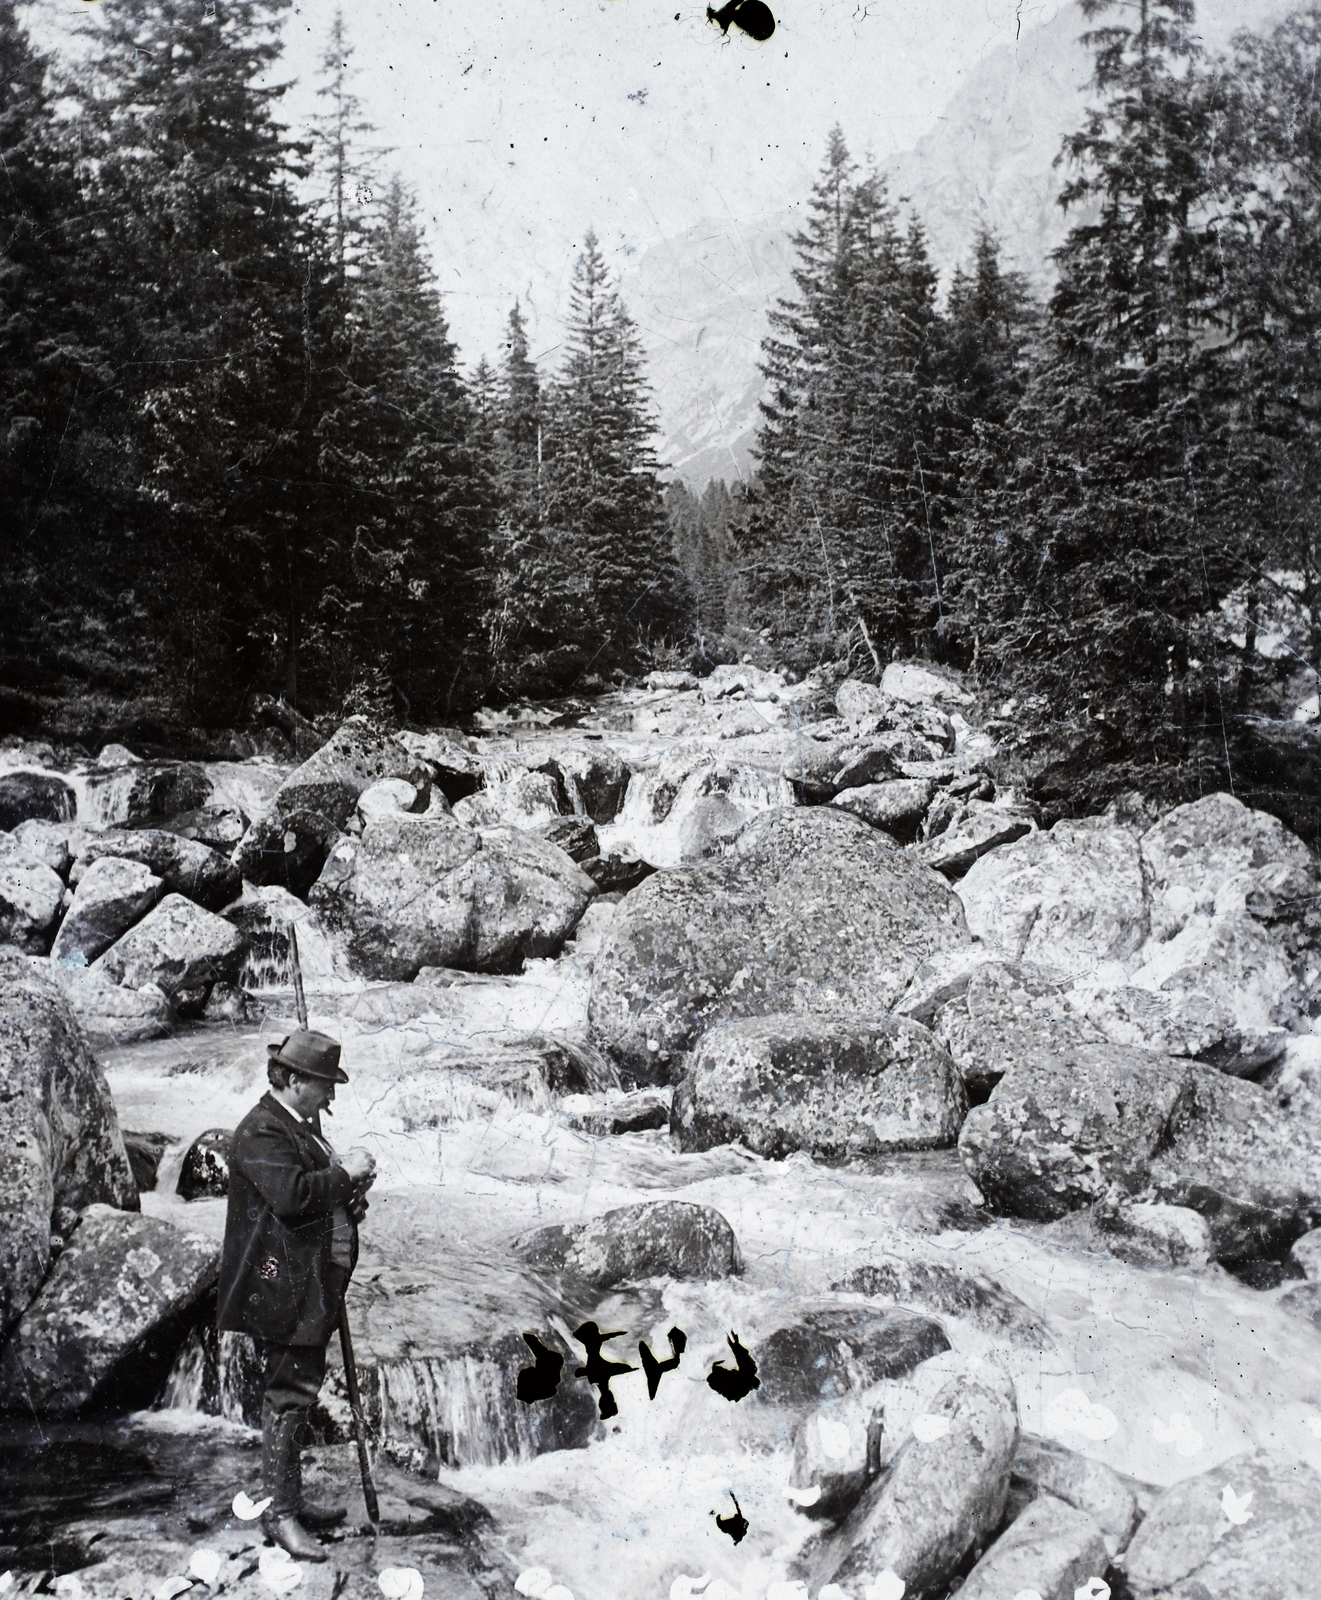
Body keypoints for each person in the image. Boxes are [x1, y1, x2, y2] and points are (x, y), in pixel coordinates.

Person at [217, 1030, 377, 1561]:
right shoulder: (262, 1131)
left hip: (306, 1285)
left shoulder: (295, 1127)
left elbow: (309, 1199)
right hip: (280, 1289)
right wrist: (342, 1174)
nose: (330, 1097)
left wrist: (345, 1201)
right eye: (324, 1085)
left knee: (299, 1391)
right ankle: (281, 1515)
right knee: (288, 1396)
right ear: (292, 1080)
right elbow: (290, 1197)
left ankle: (290, 1501)